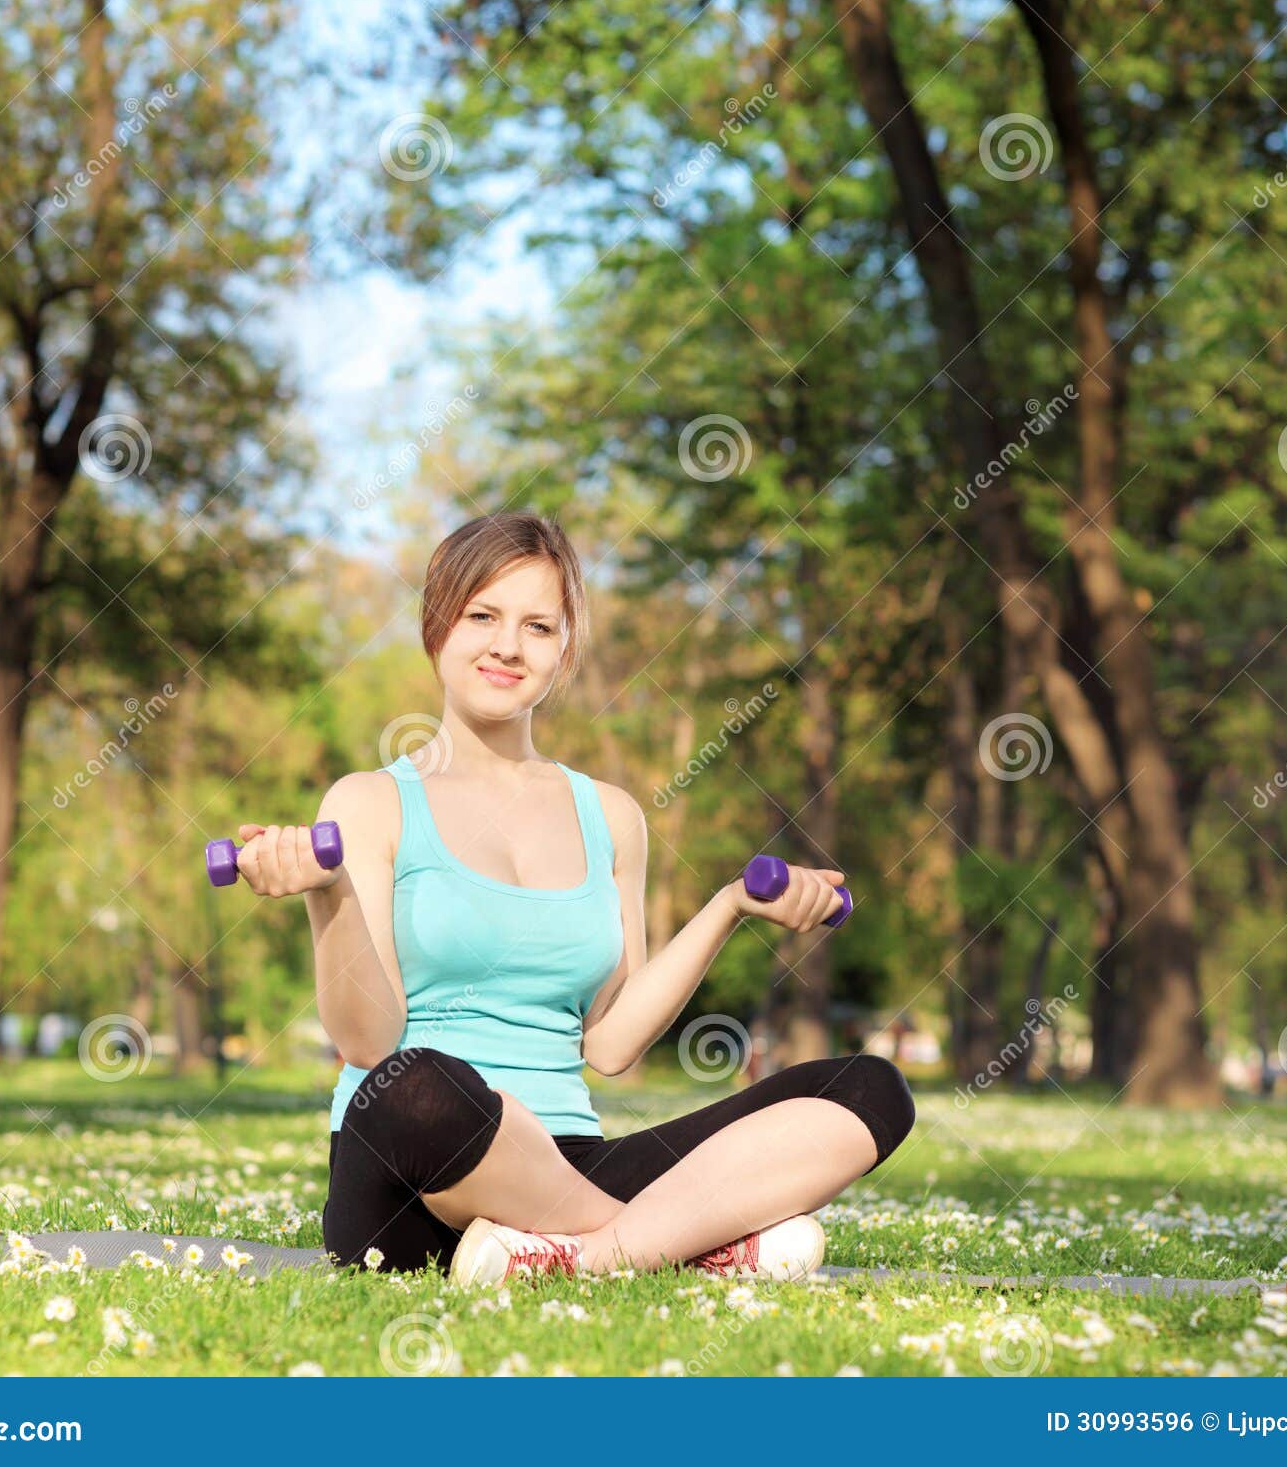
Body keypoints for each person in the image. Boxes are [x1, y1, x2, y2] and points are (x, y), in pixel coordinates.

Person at [235, 511, 914, 1285]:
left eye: (537, 626)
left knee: (866, 1089)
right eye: (481, 616)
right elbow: (365, 1043)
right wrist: (329, 898)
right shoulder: (368, 802)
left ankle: (579, 1256)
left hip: (572, 1165)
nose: (506, 646)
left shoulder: (612, 816)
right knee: (415, 1081)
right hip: (416, 1173)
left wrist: (728, 907)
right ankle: (675, 1241)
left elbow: (611, 1046)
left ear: (564, 649)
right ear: (436, 627)